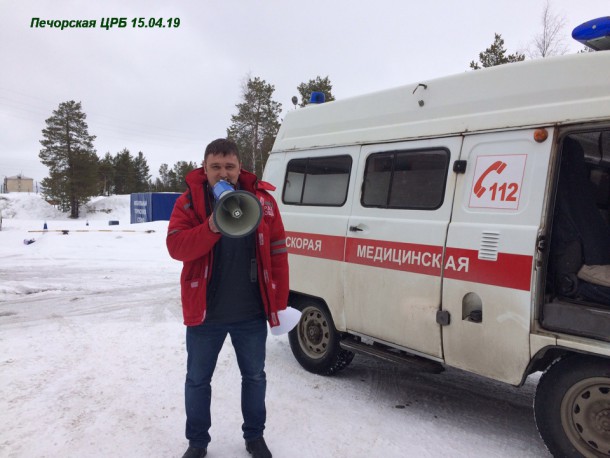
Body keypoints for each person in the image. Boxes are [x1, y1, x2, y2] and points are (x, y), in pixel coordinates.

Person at [166, 138, 289, 458]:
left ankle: (254, 436)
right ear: (204, 169)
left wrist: (278, 302)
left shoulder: (263, 202)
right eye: (216, 167)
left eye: (229, 167)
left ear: (240, 168)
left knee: (254, 376)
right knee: (197, 380)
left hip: (250, 312)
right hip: (206, 313)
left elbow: (278, 254)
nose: (223, 174)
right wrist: (210, 226)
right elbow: (176, 247)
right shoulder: (189, 204)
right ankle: (197, 442)